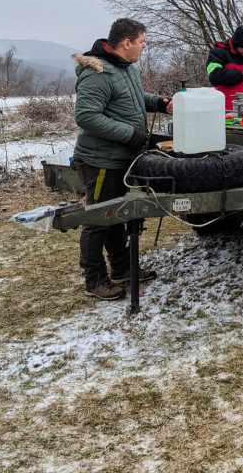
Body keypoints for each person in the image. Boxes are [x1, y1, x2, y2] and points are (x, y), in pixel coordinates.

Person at [72, 18, 174, 300]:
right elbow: (86, 116)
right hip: (100, 160)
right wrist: (130, 135)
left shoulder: (123, 68)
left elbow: (133, 98)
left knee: (116, 216)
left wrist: (160, 103)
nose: (144, 46)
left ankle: (121, 268)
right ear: (126, 43)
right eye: (142, 41)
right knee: (99, 218)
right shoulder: (98, 73)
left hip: (120, 158)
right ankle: (94, 280)